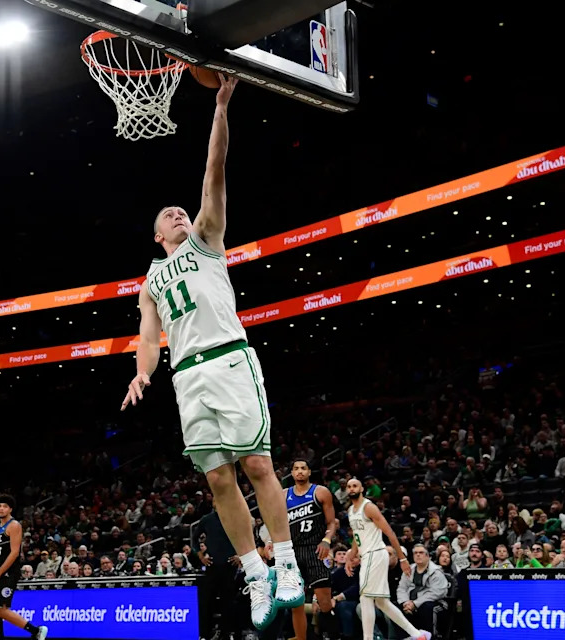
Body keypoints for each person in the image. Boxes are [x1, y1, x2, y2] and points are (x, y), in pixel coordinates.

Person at [120, 73, 302, 631]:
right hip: (187, 376)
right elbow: (150, 336)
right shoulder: (150, 280)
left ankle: (287, 562)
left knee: (256, 464)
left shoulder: (206, 239)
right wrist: (141, 374)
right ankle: (254, 571)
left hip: (229, 358)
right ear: (156, 236)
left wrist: (220, 108)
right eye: (168, 215)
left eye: (182, 211)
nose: (179, 214)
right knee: (219, 479)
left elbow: (213, 175)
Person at [343, 478, 431, 640]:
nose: (352, 489)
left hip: (375, 553)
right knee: (382, 603)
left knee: (365, 598)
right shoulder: (350, 511)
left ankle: (368, 638)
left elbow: (389, 532)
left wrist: (403, 559)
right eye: (349, 486)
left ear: (362, 489)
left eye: (355, 486)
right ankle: (417, 635)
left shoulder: (368, 507)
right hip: (368, 555)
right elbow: (357, 537)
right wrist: (350, 556)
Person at [285, 459, 337, 640]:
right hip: (293, 551)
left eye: (303, 468)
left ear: (309, 472)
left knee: (324, 603)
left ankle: (330, 636)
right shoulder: (283, 495)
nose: (299, 471)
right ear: (291, 473)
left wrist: (326, 540)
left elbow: (331, 522)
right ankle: (301, 637)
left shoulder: (321, 492)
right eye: (296, 468)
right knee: (296, 603)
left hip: (315, 549)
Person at [0, 495, 47, 640]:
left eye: (5, 506)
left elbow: (14, 553)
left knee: (1, 609)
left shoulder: (14, 525)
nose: (1, 508)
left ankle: (36, 631)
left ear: (11, 509)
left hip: (8, 572)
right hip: (0, 570)